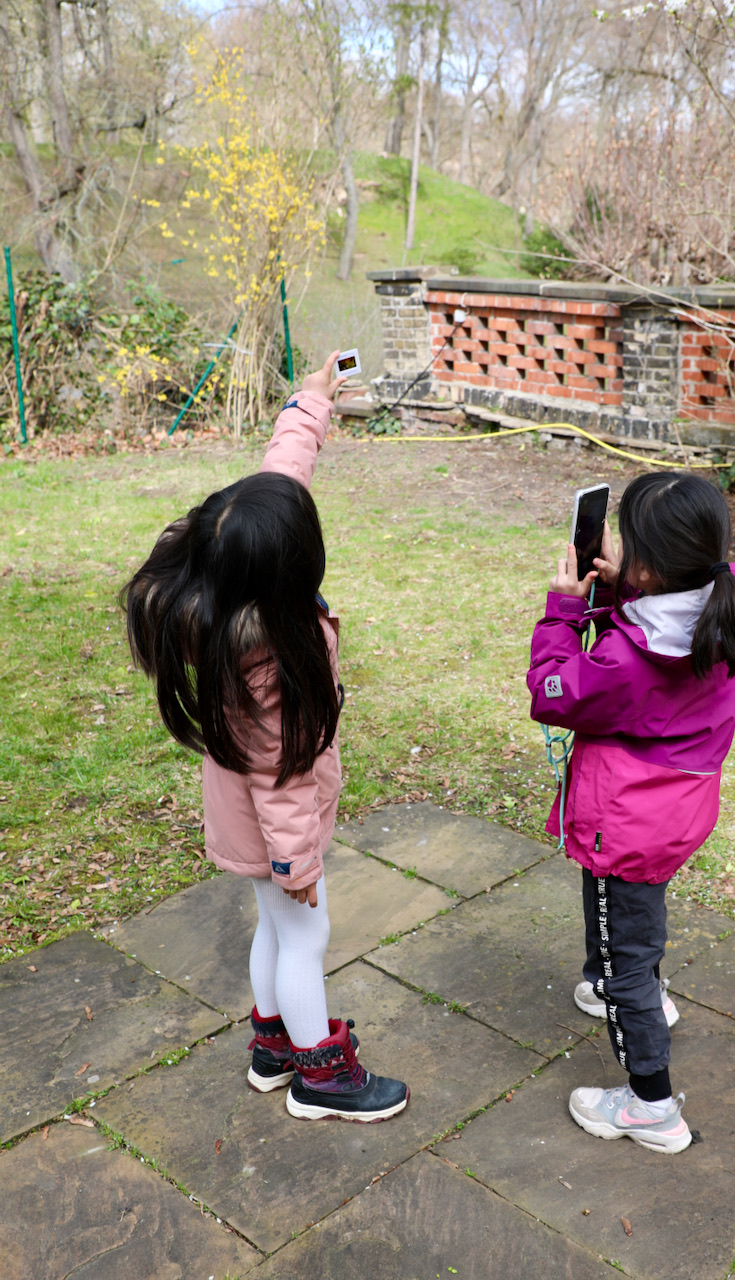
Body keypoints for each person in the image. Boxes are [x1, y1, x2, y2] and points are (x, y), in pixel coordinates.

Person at [123, 351, 409, 1124]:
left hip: (239, 817)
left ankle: (271, 1044)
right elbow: (279, 773)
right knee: (304, 934)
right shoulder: (272, 658)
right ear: (288, 568)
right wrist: (298, 861)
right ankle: (321, 1077)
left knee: (275, 930)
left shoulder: (227, 567)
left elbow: (281, 476)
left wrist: (309, 402)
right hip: (273, 824)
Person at [527, 471, 735, 1154]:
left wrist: (563, 610)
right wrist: (629, 582)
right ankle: (624, 988)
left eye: (632, 546)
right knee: (633, 928)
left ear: (655, 566)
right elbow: (664, 607)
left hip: (622, 822)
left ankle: (650, 1104)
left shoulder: (629, 659)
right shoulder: (728, 596)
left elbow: (553, 691)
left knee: (627, 946)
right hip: (677, 806)